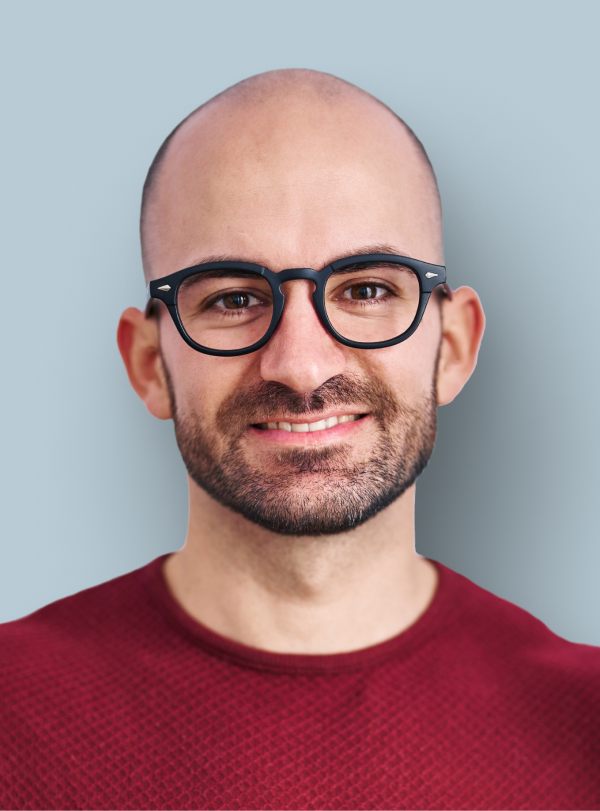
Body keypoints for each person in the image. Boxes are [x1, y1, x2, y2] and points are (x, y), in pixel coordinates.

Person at [1, 69, 598, 809]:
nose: (300, 365)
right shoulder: (11, 716)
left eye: (368, 289)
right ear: (150, 364)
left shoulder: (585, 728)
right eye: (234, 298)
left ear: (452, 346)